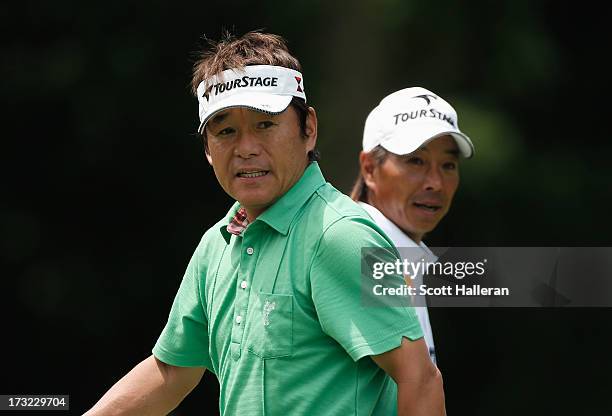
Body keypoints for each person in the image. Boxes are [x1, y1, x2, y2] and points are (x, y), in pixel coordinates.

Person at [85, 32, 444, 416]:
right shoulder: (217, 245)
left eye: (265, 124)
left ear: (309, 129)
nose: (246, 147)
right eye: (225, 131)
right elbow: (173, 372)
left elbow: (420, 380)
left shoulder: (340, 234)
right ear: (207, 149)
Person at [350, 87, 475, 363]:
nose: (436, 183)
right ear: (369, 168)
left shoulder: (396, 254)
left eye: (448, 165)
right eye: (416, 161)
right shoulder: (364, 255)